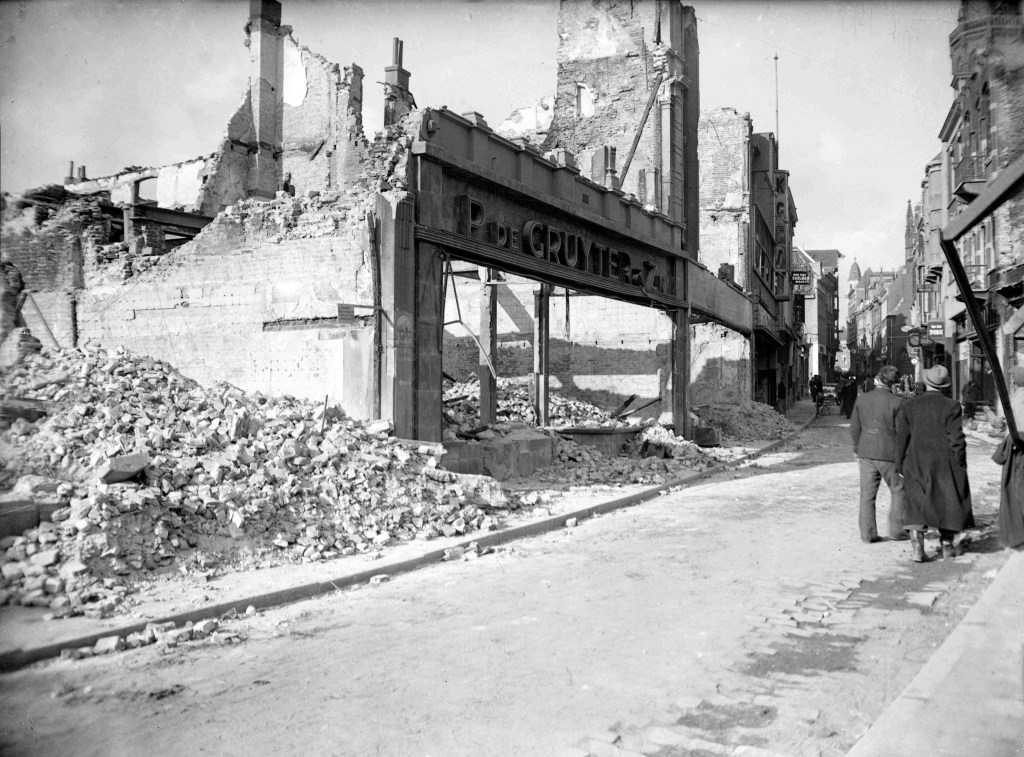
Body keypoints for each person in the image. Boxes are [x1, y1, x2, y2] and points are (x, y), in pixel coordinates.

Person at [895, 365, 974, 562]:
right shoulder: (952, 405)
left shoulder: (909, 405)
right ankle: (947, 544)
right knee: (946, 499)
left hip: (916, 460)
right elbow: (957, 438)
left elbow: (901, 438)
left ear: (926, 382)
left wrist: (899, 463)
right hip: (944, 462)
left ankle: (917, 547)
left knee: (915, 502)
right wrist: (960, 461)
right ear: (944, 385)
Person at [850, 365, 907, 543]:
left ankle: (867, 534)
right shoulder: (898, 402)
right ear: (893, 384)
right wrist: (903, 455)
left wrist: (857, 449)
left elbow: (855, 428)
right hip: (889, 452)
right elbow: (902, 432)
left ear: (877, 380)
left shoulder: (862, 400)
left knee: (867, 494)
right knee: (898, 489)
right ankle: (897, 530)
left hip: (866, 451)